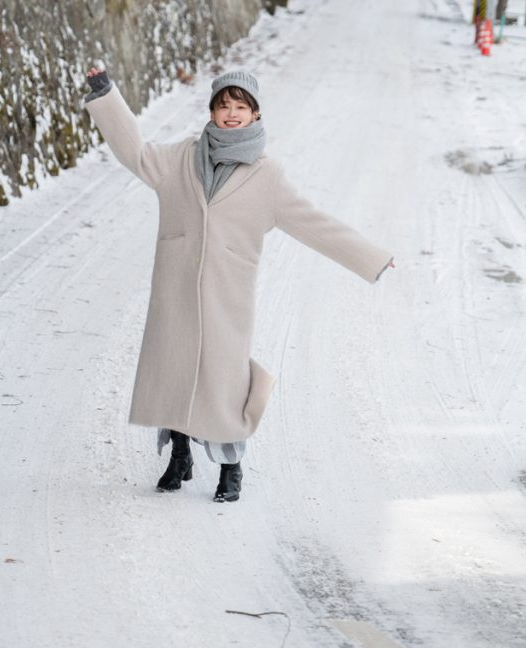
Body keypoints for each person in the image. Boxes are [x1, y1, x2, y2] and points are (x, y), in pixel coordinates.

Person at [85, 66, 393, 503]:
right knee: (176, 369)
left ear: (254, 114)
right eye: (224, 105)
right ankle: (179, 455)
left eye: (241, 107)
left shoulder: (267, 177)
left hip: (227, 297)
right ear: (212, 111)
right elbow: (134, 151)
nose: (232, 113)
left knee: (224, 383)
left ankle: (231, 467)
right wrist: (107, 95)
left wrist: (371, 258)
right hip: (176, 287)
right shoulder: (179, 159)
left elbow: (313, 224)